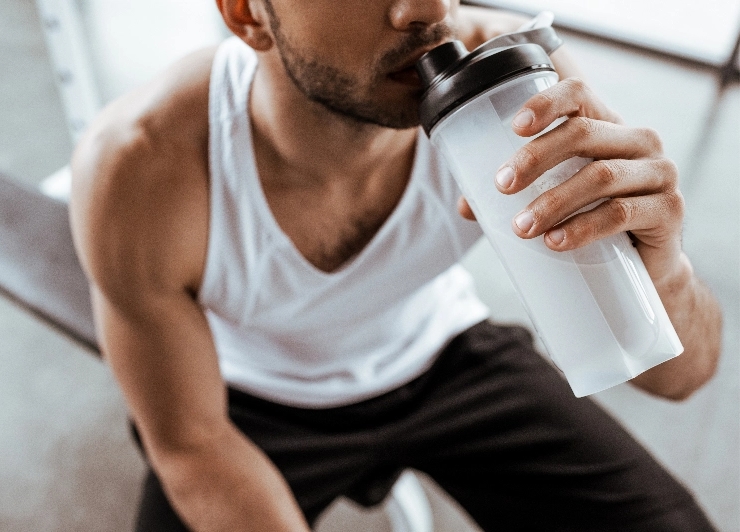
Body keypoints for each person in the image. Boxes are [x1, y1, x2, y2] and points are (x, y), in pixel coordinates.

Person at [69, 1, 723, 530]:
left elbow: (681, 377)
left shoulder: (513, 90)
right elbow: (190, 443)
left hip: (443, 354)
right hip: (246, 403)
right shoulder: (143, 167)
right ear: (247, 15)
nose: (428, 10)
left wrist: (661, 271)